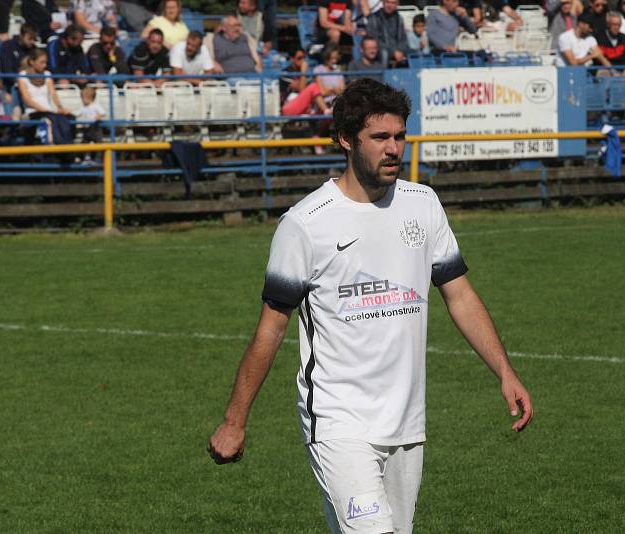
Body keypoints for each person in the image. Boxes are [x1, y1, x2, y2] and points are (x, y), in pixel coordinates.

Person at [207, 77, 534, 534]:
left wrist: (504, 371)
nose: (394, 148)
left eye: (400, 136)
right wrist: (234, 420)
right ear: (346, 140)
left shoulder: (423, 204)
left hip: (405, 419)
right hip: (339, 419)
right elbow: (271, 328)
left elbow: (459, 294)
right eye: (380, 138)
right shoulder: (305, 224)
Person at [17, 48, 73, 144]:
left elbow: (53, 93)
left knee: (68, 118)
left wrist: (60, 108)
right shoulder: (22, 76)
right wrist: (42, 109)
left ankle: (67, 149)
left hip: (49, 112)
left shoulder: (47, 74)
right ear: (32, 62)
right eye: (41, 62)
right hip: (33, 112)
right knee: (48, 120)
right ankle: (55, 147)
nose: (45, 65)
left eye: (46, 62)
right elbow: (27, 99)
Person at [365, 0, 409, 66]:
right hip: (381, 49)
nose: (389, 5)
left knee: (415, 52)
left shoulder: (399, 19)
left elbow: (403, 39)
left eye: (393, 3)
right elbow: (374, 40)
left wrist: (401, 50)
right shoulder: (374, 18)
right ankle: (383, 75)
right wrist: (393, 51)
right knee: (384, 53)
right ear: (383, 3)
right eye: (387, 2)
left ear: (397, 4)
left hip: (397, 50)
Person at [0, 24, 38, 95]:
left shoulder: (34, 49)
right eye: (30, 38)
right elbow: (7, 70)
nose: (32, 42)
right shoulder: (7, 46)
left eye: (34, 39)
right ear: (21, 35)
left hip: (31, 85)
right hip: (10, 87)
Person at [74, 85, 104, 162]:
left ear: (88, 98)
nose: (81, 100)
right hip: (86, 128)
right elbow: (77, 113)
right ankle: (85, 157)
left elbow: (103, 112)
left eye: (82, 98)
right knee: (85, 142)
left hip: (95, 128)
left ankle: (98, 159)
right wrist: (69, 112)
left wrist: (98, 116)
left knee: (98, 143)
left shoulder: (95, 106)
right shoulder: (83, 107)